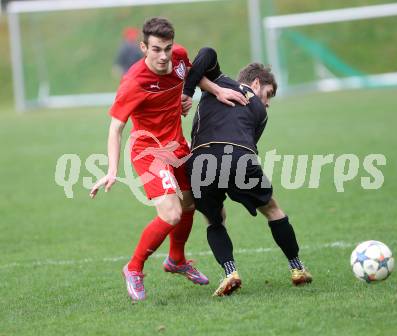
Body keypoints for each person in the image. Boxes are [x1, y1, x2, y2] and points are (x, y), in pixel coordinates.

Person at [90, 18, 247, 302]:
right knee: (171, 213)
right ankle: (134, 268)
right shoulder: (134, 82)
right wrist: (112, 169)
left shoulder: (179, 57)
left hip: (177, 147)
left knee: (189, 205)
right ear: (143, 47)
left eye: (167, 48)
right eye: (156, 49)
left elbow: (192, 76)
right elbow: (116, 127)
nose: (163, 56)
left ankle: (176, 260)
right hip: (148, 152)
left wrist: (216, 90)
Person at [183, 47, 313, 297]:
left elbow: (206, 54)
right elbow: (246, 144)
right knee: (273, 209)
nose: (267, 102)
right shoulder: (259, 111)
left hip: (199, 162)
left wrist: (191, 91)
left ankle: (230, 272)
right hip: (238, 158)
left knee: (214, 219)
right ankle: (297, 268)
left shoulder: (217, 81)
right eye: (268, 94)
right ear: (255, 83)